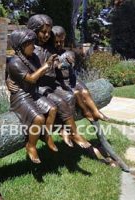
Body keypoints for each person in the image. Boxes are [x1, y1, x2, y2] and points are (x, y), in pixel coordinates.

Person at [27, 14, 92, 149]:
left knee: (69, 96)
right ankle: (69, 133)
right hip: (39, 87)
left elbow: (56, 64)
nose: (46, 35)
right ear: (33, 31)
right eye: (43, 32)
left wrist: (63, 65)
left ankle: (68, 131)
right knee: (61, 102)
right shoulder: (31, 50)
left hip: (51, 85)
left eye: (48, 33)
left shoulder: (49, 48)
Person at [7, 28, 58, 164]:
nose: (34, 46)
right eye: (30, 43)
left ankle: (46, 135)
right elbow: (31, 79)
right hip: (21, 96)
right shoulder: (15, 62)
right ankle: (31, 145)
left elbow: (42, 73)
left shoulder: (33, 58)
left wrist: (51, 63)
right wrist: (45, 66)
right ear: (21, 45)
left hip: (33, 93)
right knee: (39, 118)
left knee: (52, 109)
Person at [51, 25, 109, 122]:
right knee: (76, 93)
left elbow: (72, 63)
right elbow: (55, 65)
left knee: (85, 92)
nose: (59, 44)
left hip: (72, 79)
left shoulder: (68, 52)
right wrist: (62, 65)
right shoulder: (50, 54)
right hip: (60, 82)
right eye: (56, 42)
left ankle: (96, 111)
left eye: (61, 41)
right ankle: (86, 111)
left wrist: (70, 63)